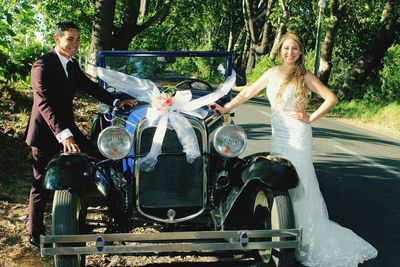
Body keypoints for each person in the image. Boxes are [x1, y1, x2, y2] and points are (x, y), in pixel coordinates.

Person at [211, 32, 378, 266]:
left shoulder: (304, 76)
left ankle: (307, 235)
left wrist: (310, 117)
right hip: (278, 135)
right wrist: (225, 108)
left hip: (298, 134)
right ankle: (286, 225)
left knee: (300, 179)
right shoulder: (271, 73)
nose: (290, 53)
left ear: (300, 52)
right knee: (279, 179)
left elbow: (331, 98)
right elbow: (248, 93)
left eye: (295, 49)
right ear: (280, 50)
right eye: (286, 48)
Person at [24, 21, 137, 247]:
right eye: (70, 39)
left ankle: (91, 216)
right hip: (46, 133)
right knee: (40, 184)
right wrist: (63, 135)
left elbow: (90, 87)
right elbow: (44, 104)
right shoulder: (42, 66)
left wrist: (117, 100)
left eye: (77, 39)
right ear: (57, 40)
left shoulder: (71, 64)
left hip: (68, 128)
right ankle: (35, 233)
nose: (75, 44)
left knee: (99, 160)